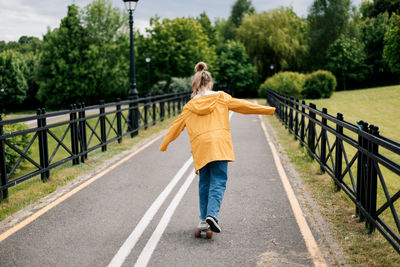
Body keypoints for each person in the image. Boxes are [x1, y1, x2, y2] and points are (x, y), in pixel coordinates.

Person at [159, 62, 275, 233]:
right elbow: (245, 106)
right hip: (220, 145)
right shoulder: (221, 98)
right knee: (219, 181)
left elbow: (175, 127)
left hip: (201, 149)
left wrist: (164, 144)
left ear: (196, 85)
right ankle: (212, 215)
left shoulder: (189, 107)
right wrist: (269, 110)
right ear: (209, 83)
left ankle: (202, 220)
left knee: (204, 182)